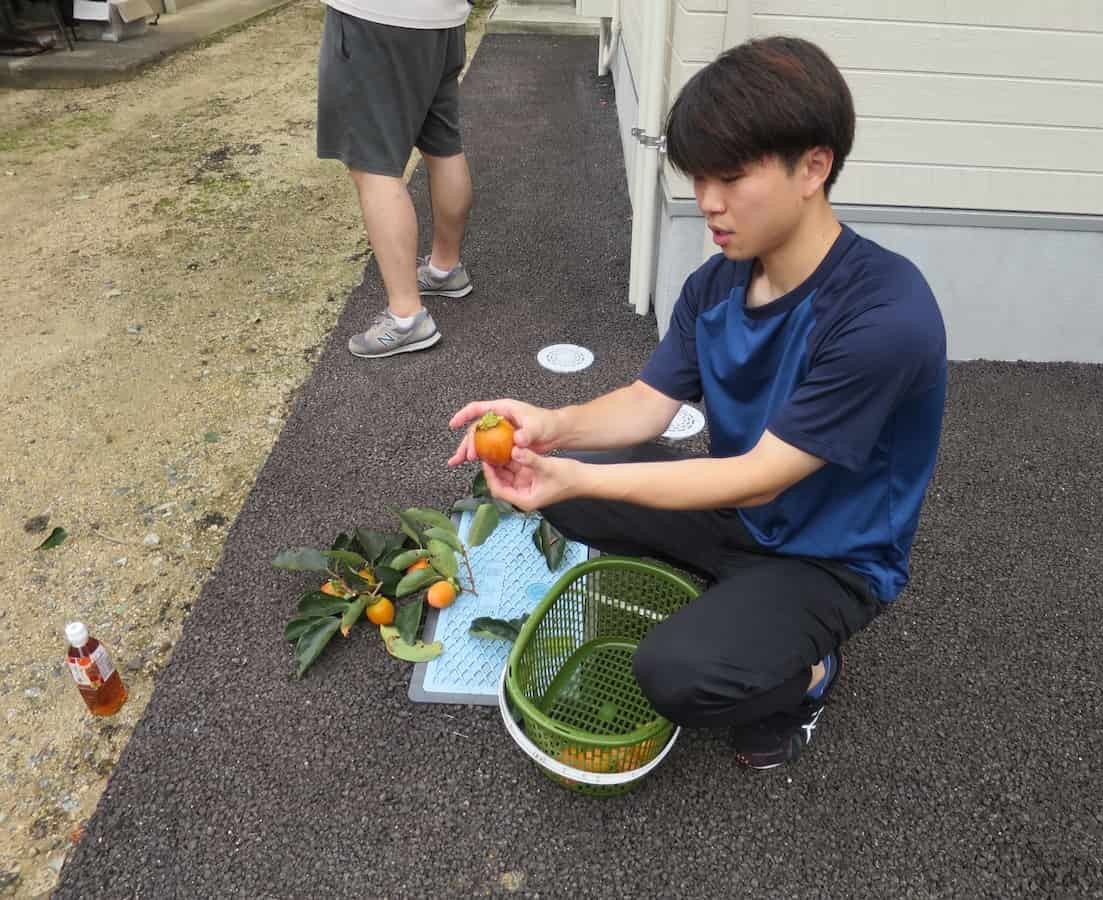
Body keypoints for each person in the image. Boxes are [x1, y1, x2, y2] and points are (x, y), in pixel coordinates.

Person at [448, 36, 947, 770]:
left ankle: (811, 672)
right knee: (556, 474)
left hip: (830, 557)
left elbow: (765, 473)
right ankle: (738, 601)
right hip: (735, 513)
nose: (706, 202)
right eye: (698, 177)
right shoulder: (718, 284)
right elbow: (647, 404)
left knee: (672, 675)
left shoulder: (883, 313)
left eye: (731, 177)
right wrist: (552, 427)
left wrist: (583, 476)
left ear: (814, 166)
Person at [317, 0, 475, 359]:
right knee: (443, 145)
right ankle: (444, 268)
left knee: (373, 166)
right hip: (443, 20)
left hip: (376, 18)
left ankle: (406, 317)